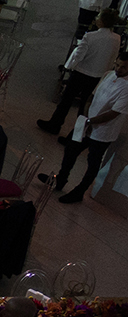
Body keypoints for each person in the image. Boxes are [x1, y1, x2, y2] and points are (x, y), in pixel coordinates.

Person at [53, 54, 128, 205]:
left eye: (123, 67)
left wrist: (91, 121)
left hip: (103, 131)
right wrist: (86, 116)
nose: (119, 69)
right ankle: (60, 179)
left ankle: (79, 191)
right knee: (71, 149)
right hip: (88, 123)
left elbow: (114, 113)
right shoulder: (108, 74)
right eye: (117, 65)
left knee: (93, 162)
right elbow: (91, 97)